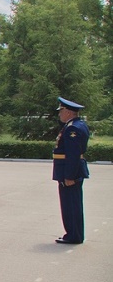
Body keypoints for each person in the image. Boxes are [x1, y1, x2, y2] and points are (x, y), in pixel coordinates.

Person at [53, 97, 89, 244]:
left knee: (70, 205)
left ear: (68, 111)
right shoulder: (77, 125)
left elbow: (73, 155)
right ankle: (75, 234)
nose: (59, 114)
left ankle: (73, 235)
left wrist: (69, 176)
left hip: (69, 173)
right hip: (70, 171)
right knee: (72, 204)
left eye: (60, 111)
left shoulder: (72, 128)